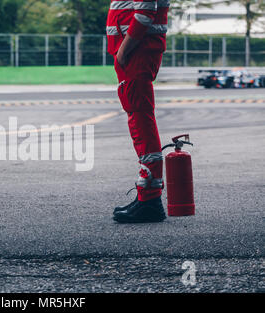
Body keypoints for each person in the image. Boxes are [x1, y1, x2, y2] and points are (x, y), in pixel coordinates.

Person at [107, 0, 170, 223]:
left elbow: (144, 12)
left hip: (137, 52)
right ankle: (147, 198)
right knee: (138, 118)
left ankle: (150, 201)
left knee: (141, 120)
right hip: (136, 51)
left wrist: (123, 51)